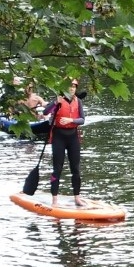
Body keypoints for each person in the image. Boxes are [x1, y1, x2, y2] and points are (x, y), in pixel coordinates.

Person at [44, 78, 87, 206]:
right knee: (57, 168)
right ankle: (54, 200)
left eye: (74, 86)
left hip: (73, 137)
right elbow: (45, 112)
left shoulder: (78, 101)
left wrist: (71, 120)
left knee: (76, 169)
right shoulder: (58, 100)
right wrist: (54, 103)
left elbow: (82, 120)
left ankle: (77, 198)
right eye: (70, 86)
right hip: (59, 137)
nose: (72, 88)